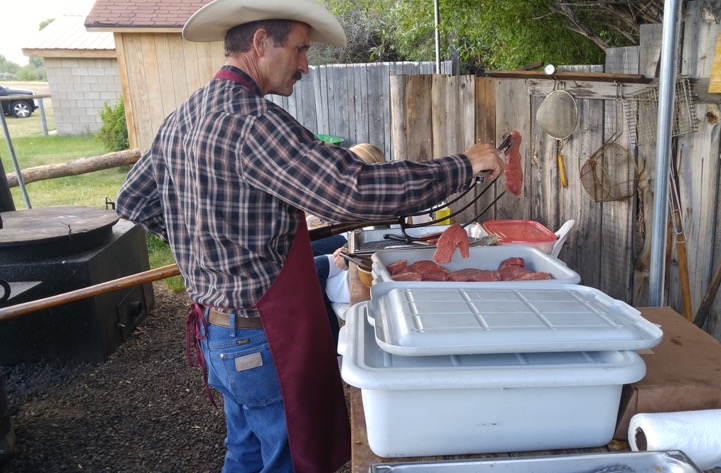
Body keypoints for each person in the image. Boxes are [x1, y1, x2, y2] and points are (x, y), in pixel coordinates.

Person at [114, 0, 506, 471]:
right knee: (288, 462)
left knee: (243, 453)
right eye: (299, 49)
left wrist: (200, 242)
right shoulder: (253, 122)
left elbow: (133, 199)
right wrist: (461, 165)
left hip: (217, 332)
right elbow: (352, 190)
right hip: (262, 340)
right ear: (261, 43)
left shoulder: (185, 113)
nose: (305, 65)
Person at [312, 143, 386, 346]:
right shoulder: (366, 195)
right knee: (307, 246)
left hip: (364, 266)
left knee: (313, 270)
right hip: (351, 244)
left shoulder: (381, 199)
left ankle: (327, 340)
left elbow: (381, 239)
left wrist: (349, 253)